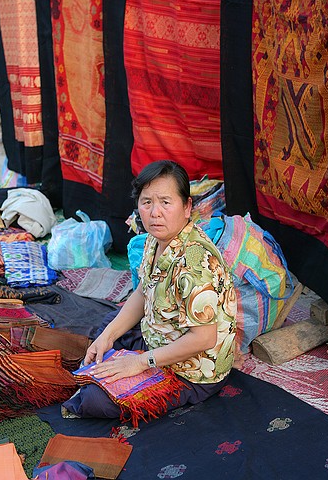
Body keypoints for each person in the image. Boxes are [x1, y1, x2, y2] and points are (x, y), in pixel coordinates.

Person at [62, 160, 237, 420]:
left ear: (187, 207)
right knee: (104, 333)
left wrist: (140, 362)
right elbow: (144, 291)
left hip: (190, 371)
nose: (155, 213)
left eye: (166, 202)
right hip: (156, 339)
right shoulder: (155, 240)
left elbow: (203, 339)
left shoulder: (196, 263)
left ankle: (123, 372)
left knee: (95, 400)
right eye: (147, 202)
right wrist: (107, 337)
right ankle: (116, 357)